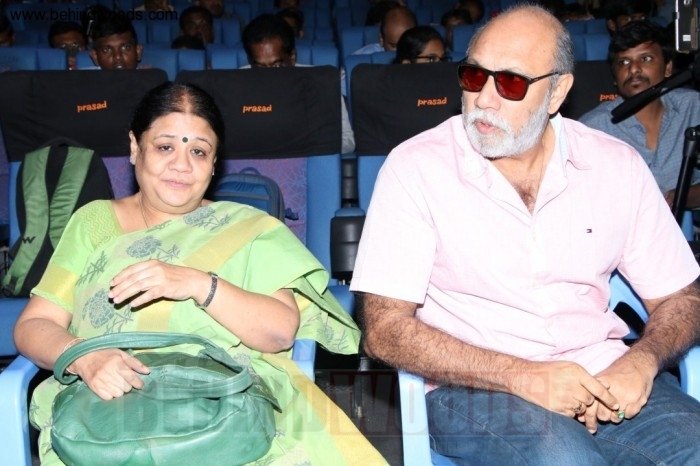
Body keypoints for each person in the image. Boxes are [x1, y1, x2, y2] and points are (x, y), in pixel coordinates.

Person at [350, 4, 700, 464]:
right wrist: (523, 376)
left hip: (600, 371)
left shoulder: (615, 166)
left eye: (511, 83)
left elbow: (682, 298)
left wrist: (643, 360)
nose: (484, 100)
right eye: (474, 76)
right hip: (472, 386)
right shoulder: (417, 168)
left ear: (557, 92)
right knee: (565, 459)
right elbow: (383, 329)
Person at [14, 82, 384, 465]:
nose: (182, 165)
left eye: (198, 151)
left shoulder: (246, 228)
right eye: (165, 147)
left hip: (227, 412)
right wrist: (83, 357)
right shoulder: (93, 223)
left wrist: (196, 283)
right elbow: (34, 324)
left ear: (214, 162)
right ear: (135, 147)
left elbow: (279, 332)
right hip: (106, 415)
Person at [579, 20, 700, 208]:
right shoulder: (591, 130)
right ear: (615, 78)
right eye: (624, 62)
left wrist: (678, 197)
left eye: (646, 59)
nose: (633, 69)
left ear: (668, 68)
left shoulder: (692, 107)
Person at [242, 14, 356, 154]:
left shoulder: (322, 84)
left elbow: (347, 141)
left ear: (292, 57)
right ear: (251, 62)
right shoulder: (237, 85)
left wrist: (302, 147)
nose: (268, 75)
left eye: (276, 65)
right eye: (260, 67)